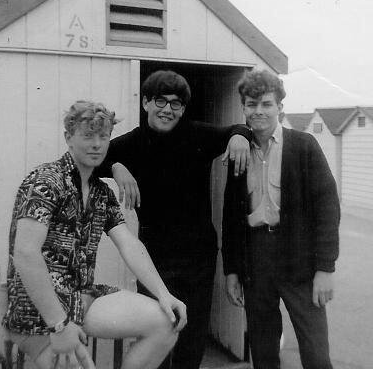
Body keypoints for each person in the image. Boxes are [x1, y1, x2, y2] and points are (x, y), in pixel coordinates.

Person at [2, 100, 187, 369]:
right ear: (68, 137)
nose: (97, 144)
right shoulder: (46, 181)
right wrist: (59, 325)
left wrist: (164, 293)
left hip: (81, 297)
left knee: (166, 321)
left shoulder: (101, 192)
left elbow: (129, 243)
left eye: (103, 136)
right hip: (39, 311)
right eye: (88, 136)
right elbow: (25, 254)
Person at [96, 69, 251, 369]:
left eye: (176, 103)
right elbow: (92, 158)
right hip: (155, 257)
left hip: (198, 256)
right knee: (158, 330)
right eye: (160, 101)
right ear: (145, 103)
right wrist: (116, 166)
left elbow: (237, 128)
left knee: (192, 335)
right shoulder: (131, 144)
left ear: (182, 109)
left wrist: (239, 136)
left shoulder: (198, 134)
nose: (167, 109)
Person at [222, 70, 341, 369]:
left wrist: (325, 268)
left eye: (266, 104)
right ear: (244, 108)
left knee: (316, 352)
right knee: (263, 349)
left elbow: (327, 209)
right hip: (256, 258)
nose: (258, 111)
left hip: (299, 257)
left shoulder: (304, 146)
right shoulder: (239, 152)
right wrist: (232, 270)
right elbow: (231, 218)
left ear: (280, 108)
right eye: (252, 104)